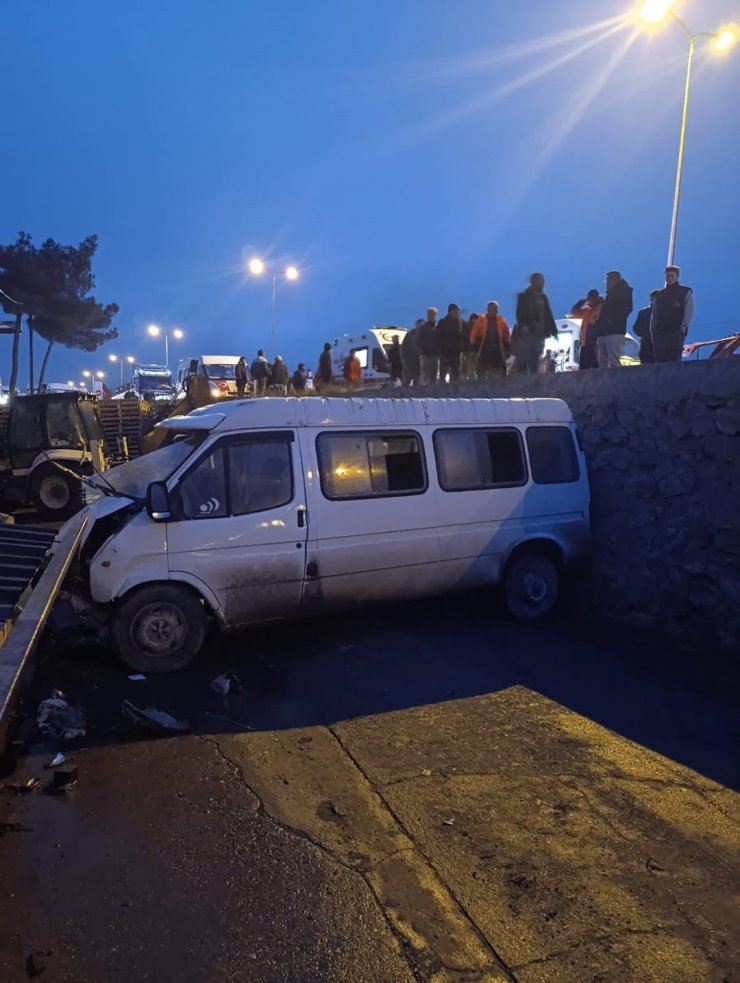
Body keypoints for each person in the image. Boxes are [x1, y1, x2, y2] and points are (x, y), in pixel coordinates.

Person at [515, 273, 559, 373]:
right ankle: (524, 374)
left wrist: (554, 331)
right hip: (528, 331)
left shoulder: (543, 297)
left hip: (541, 332)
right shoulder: (523, 296)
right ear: (532, 282)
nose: (541, 283)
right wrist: (526, 325)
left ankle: (533, 374)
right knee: (527, 354)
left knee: (537, 353)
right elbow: (520, 313)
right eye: (539, 280)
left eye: (542, 281)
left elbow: (548, 314)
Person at [650, 265, 694, 363]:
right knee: (660, 362)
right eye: (667, 276)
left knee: (674, 361)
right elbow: (655, 315)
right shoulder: (660, 295)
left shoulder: (685, 292)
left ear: (677, 276)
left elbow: (688, 311)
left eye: (672, 276)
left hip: (676, 333)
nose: (669, 278)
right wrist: (654, 333)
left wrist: (681, 329)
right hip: (660, 335)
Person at [596, 270, 633, 369]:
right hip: (604, 332)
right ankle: (604, 382)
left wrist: (612, 321)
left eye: (607, 280)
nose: (606, 283)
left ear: (613, 280)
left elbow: (626, 309)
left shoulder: (623, 293)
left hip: (614, 332)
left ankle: (617, 383)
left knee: (614, 362)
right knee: (602, 362)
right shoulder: (611, 295)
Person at [471, 301, 510, 378]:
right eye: (495, 309)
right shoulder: (481, 319)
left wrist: (507, 346)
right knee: (483, 369)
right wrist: (473, 346)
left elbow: (506, 334)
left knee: (500, 368)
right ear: (489, 309)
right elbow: (474, 334)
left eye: (497, 309)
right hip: (484, 349)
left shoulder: (500, 319)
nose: (497, 311)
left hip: (497, 349)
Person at [570, 289, 603, 370]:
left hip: (596, 344)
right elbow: (573, 311)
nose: (591, 302)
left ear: (597, 298)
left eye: (592, 299)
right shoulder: (587, 310)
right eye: (590, 299)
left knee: (597, 366)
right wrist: (583, 300)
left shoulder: (602, 308)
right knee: (583, 368)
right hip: (585, 343)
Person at [436, 303, 463, 383]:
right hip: (445, 352)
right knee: (443, 374)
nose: (457, 313)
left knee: (455, 374)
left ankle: (454, 391)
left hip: (455, 353)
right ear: (450, 311)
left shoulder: (458, 322)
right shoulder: (442, 322)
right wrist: (440, 349)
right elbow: (438, 336)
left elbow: (460, 336)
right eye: (456, 311)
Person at [632, 289, 659, 364]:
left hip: (660, 346)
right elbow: (636, 328)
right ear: (651, 299)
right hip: (646, 346)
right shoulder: (643, 312)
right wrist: (647, 335)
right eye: (655, 298)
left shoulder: (664, 313)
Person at [417, 307, 439, 385]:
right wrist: (423, 350)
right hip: (426, 355)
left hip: (435, 356)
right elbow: (418, 341)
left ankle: (432, 393)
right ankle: (423, 393)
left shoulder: (438, 327)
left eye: (433, 314)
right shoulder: (423, 327)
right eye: (429, 314)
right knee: (425, 375)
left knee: (434, 375)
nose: (431, 316)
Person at [401, 319, 422, 386]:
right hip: (409, 364)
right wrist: (405, 359)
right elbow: (403, 348)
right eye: (419, 325)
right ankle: (402, 395)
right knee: (406, 382)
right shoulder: (410, 334)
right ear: (416, 325)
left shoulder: (425, 335)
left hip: (419, 365)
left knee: (417, 384)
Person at [461, 314, 478, 381]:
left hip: (475, 352)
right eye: (473, 321)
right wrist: (464, 350)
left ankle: (472, 378)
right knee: (466, 367)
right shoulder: (466, 329)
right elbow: (463, 339)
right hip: (467, 352)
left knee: (473, 368)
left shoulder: (479, 329)